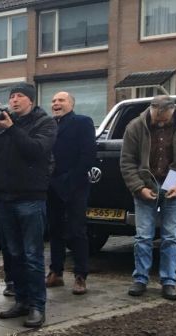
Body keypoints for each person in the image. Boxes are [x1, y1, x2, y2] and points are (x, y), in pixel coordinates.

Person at [0, 83, 56, 328]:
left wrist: (11, 128)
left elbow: (36, 150)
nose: (14, 100)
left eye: (19, 96)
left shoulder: (44, 123)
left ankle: (37, 306)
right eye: (11, 97)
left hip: (30, 198)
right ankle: (21, 301)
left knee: (32, 255)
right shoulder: (1, 126)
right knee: (14, 254)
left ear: (30, 100)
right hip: (4, 197)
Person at [120, 95, 176, 300]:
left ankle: (168, 281)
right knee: (143, 236)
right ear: (150, 111)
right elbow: (127, 161)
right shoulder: (135, 126)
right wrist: (138, 187)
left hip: (174, 180)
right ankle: (140, 278)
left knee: (171, 236)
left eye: (163, 120)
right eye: (156, 119)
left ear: (172, 112)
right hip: (146, 182)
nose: (159, 123)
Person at [46, 91, 97, 295]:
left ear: (71, 104)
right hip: (51, 185)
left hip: (75, 185)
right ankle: (56, 272)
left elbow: (88, 154)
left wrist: (70, 180)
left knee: (77, 231)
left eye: (61, 100)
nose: (56, 103)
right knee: (54, 230)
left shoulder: (82, 122)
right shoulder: (48, 125)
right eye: (53, 101)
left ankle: (80, 275)